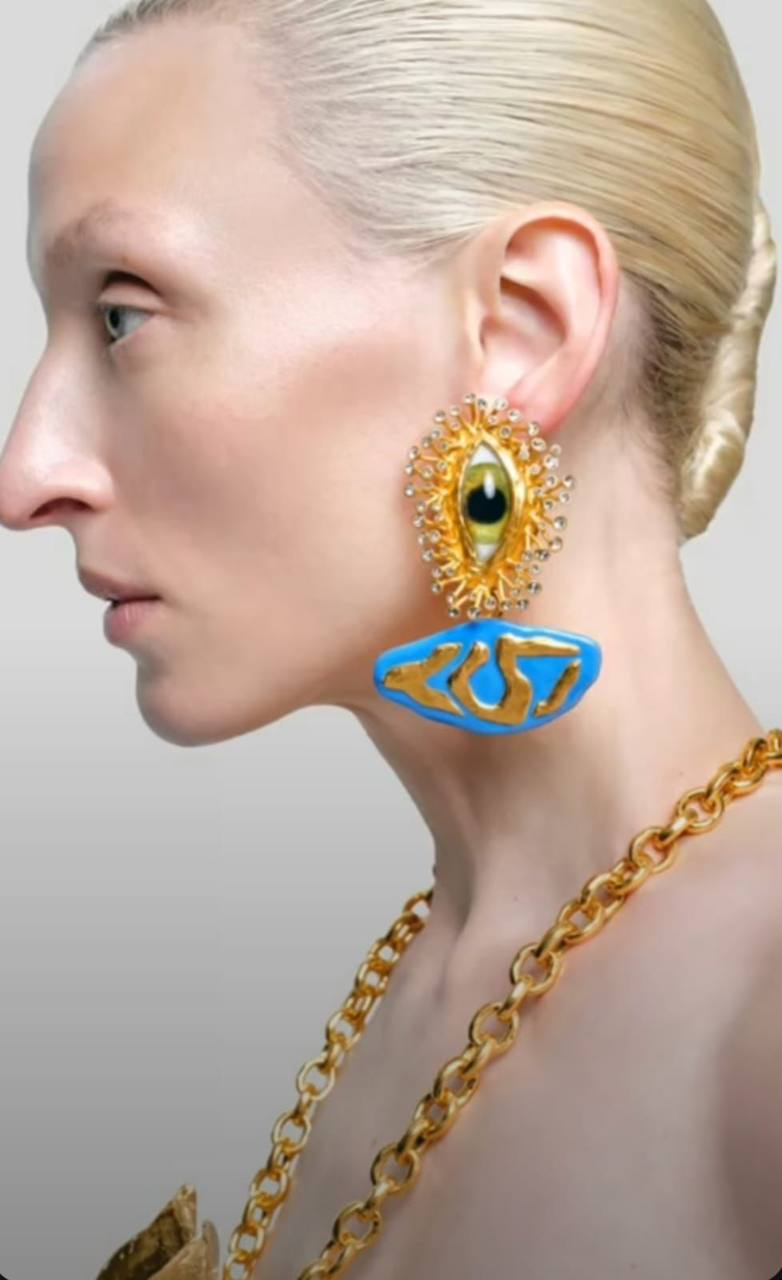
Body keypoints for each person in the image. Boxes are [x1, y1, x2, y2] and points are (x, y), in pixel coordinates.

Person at [1, 0, 780, 1277]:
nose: (27, 473)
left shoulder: (758, 1030)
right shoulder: (431, 980)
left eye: (124, 315)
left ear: (519, 330)